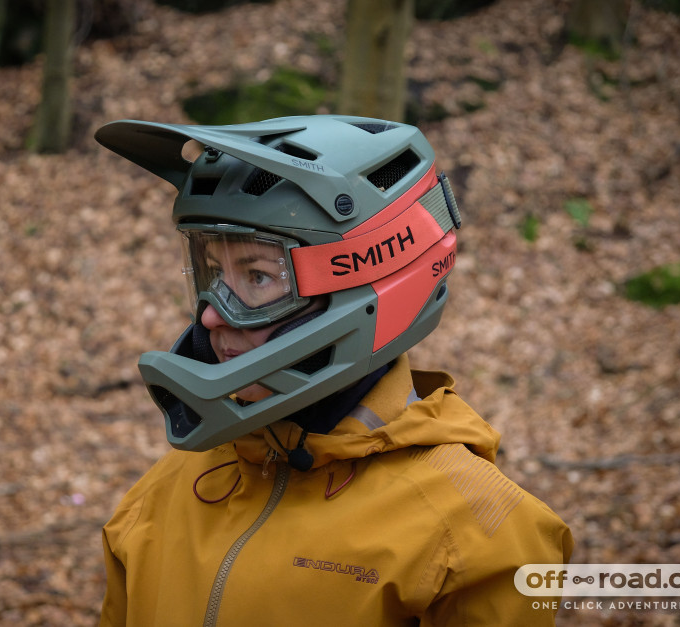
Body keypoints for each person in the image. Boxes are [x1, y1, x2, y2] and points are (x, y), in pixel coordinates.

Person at [93, 115, 573, 626]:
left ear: (366, 280)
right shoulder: (162, 495)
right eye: (213, 272)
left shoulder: (478, 534)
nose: (212, 313)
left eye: (256, 276)